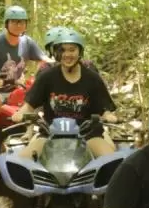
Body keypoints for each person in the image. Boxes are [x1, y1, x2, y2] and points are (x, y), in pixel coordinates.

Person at [12, 28, 118, 159]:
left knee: (111, 162)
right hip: (50, 134)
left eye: (72, 49)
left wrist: (108, 115)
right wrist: (20, 113)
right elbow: (30, 104)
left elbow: (104, 108)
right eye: (62, 50)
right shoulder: (47, 77)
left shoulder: (92, 78)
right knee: (22, 161)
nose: (67, 54)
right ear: (55, 53)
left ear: (80, 51)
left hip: (88, 135)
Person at [0, 5, 46, 148]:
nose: (18, 25)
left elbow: (44, 60)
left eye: (22, 22)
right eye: (14, 22)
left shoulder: (27, 42)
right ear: (7, 23)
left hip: (16, 90)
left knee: (39, 104)